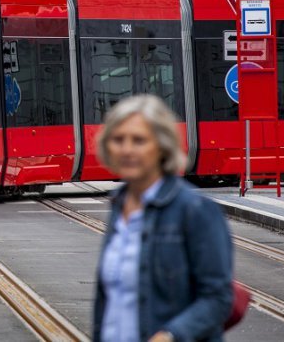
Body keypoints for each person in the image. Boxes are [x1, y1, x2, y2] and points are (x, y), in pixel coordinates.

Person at [93, 95, 233, 342]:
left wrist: (170, 336)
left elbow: (218, 299)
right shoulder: (118, 206)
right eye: (118, 140)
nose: (127, 149)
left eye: (139, 140)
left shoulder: (194, 209)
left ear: (162, 146)